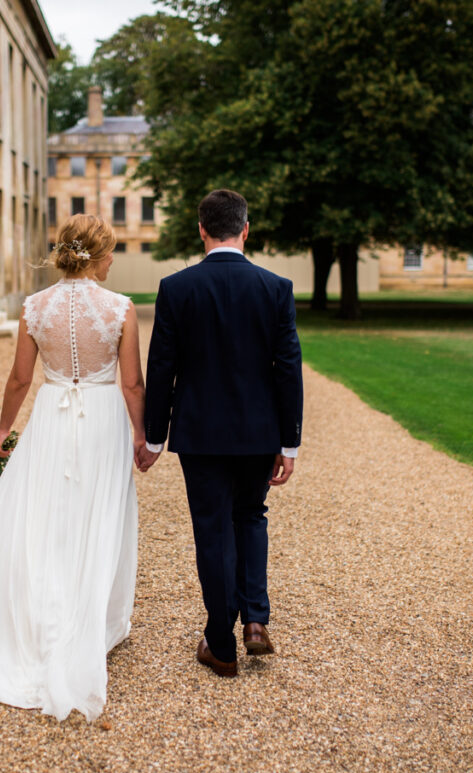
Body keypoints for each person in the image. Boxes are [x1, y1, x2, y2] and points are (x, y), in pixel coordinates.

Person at [0, 214, 144, 722]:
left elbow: (19, 379)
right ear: (97, 256)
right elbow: (133, 384)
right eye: (112, 251)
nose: (114, 260)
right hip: (101, 422)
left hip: (52, 416)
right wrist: (143, 435)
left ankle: (40, 627)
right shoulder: (120, 309)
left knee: (45, 521)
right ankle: (87, 629)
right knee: (95, 519)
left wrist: (3, 429)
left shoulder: (35, 307)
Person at [137, 188, 303, 678]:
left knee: (213, 530)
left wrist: (153, 437)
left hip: (200, 433)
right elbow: (287, 369)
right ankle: (255, 619)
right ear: (246, 230)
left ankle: (220, 645)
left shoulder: (176, 287)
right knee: (251, 516)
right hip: (259, 433)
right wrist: (289, 442)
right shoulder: (276, 287)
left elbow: (161, 366)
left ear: (202, 231)